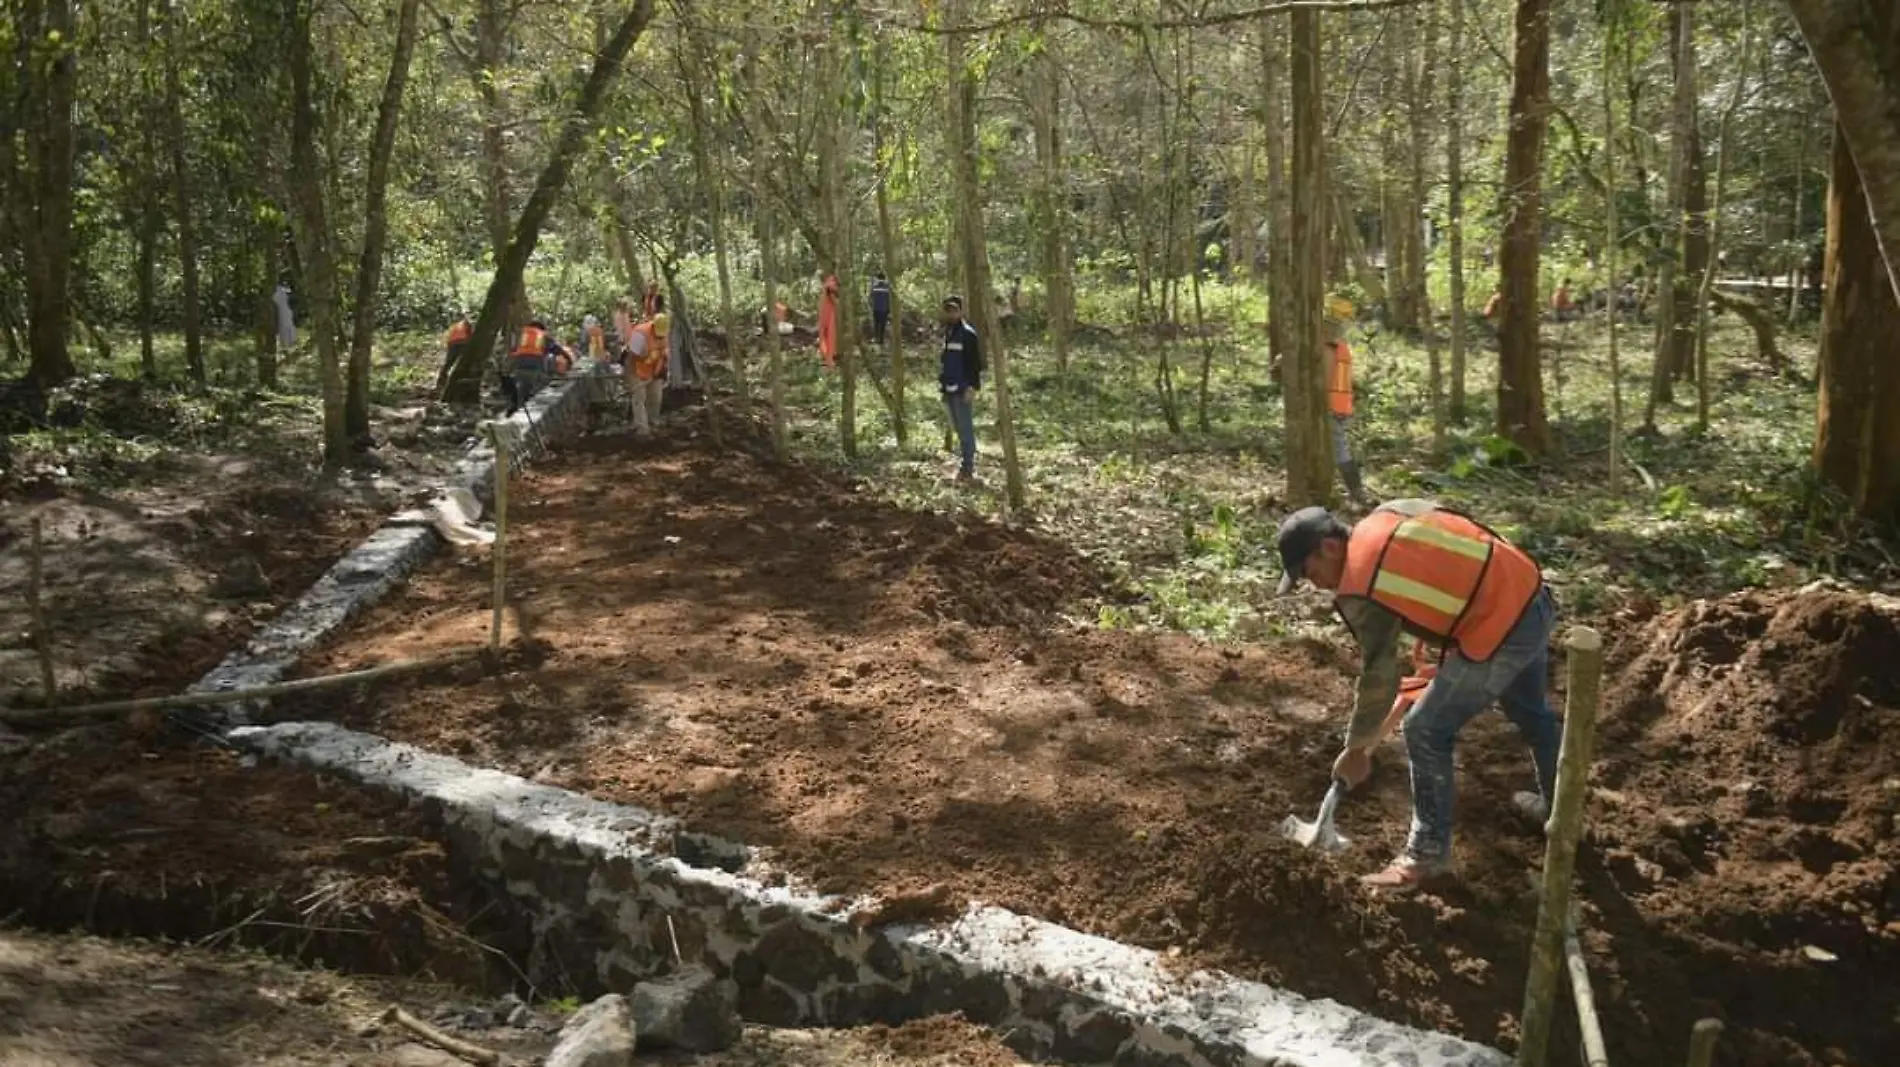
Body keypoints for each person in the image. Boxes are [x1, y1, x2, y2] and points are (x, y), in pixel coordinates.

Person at [1273, 501, 1560, 893]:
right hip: (1528, 592)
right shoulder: (1386, 517)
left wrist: (1357, 748)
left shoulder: (1361, 582)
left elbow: (1381, 672)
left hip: (1499, 628)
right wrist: (1453, 638)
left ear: (1329, 547)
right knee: (1530, 712)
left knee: (1425, 727)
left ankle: (1425, 858)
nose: (1316, 584)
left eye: (1310, 573)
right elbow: (1456, 521)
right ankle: (1562, 812)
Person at [1322, 298, 1367, 506]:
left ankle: (1357, 492)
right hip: (1342, 406)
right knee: (1333, 448)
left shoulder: (1329, 347)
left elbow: (1325, 377)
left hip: (1331, 406)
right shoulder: (1341, 346)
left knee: (1340, 450)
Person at [939, 295, 982, 483]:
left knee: (965, 428)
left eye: (954, 310)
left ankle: (968, 468)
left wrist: (973, 387)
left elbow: (975, 364)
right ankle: (964, 462)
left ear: (961, 311)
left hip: (963, 388)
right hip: (949, 388)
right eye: (948, 310)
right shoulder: (948, 332)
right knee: (958, 427)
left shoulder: (968, 334)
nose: (951, 313)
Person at [626, 309, 665, 436]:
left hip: (654, 369)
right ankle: (642, 429)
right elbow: (631, 358)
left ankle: (653, 422)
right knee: (639, 398)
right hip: (637, 369)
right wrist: (631, 377)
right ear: (653, 326)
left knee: (656, 397)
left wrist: (659, 373)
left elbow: (663, 355)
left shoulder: (665, 333)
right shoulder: (640, 335)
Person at [818, 274, 840, 368]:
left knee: (824, 336)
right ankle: (829, 359)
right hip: (829, 314)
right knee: (830, 336)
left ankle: (827, 356)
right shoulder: (831, 287)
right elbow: (835, 301)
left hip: (823, 313)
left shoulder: (826, 285)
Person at [870, 271, 893, 345]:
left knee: (876, 324)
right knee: (883, 325)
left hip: (876, 308)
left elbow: (871, 296)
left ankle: (876, 338)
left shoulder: (874, 286)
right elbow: (889, 298)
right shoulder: (887, 286)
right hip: (884, 309)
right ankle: (881, 340)